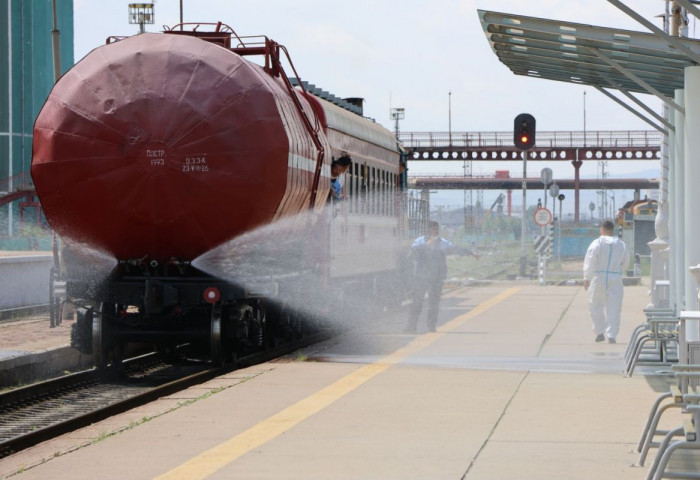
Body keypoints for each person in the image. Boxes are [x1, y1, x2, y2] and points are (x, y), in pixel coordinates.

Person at [404, 221, 479, 333]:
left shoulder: (443, 243)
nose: (436, 232)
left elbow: (455, 249)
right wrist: (426, 245)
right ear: (427, 231)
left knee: (434, 303)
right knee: (417, 302)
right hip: (421, 277)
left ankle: (431, 326)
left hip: (437, 277)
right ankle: (411, 326)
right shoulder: (419, 241)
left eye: (437, 229)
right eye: (433, 229)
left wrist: (471, 253)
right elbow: (412, 255)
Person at [583, 219, 630, 344]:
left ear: (602, 229)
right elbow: (626, 263)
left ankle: (599, 332)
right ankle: (612, 335)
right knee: (614, 307)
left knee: (595, 305)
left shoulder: (596, 243)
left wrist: (586, 277)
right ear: (612, 230)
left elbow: (590, 261)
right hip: (615, 277)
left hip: (599, 277)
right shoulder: (621, 245)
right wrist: (617, 270)